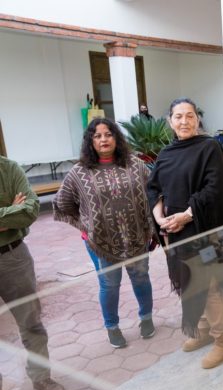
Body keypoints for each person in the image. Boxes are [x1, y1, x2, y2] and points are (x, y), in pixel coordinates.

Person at [147, 97, 223, 369]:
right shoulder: (166, 154)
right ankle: (202, 329)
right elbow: (154, 188)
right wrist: (161, 218)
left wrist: (186, 215)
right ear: (170, 121)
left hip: (206, 229)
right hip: (177, 231)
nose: (184, 121)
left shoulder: (209, 147)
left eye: (189, 116)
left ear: (197, 119)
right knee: (189, 281)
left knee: (207, 285)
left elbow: (217, 188)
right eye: (178, 116)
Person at [53, 118, 156, 348]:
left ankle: (147, 318)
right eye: (97, 136)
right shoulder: (79, 172)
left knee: (141, 278)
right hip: (101, 242)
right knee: (109, 285)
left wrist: (152, 225)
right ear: (90, 141)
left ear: (116, 137)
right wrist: (87, 224)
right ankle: (112, 327)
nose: (103, 139)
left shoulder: (135, 165)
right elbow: (63, 203)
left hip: (137, 237)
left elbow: (152, 192)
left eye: (108, 134)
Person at [0, 156, 66, 390]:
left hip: (13, 257)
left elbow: (29, 210)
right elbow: (18, 212)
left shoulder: (9, 168)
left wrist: (17, 213)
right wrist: (9, 213)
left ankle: (41, 377)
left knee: (31, 321)